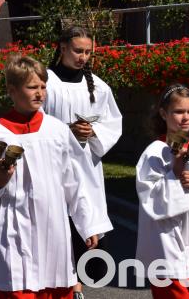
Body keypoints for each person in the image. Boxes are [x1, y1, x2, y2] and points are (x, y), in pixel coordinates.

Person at [0, 53, 113, 299]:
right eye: (32, 87)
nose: (40, 93)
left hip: (53, 230)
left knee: (54, 289)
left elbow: (75, 182)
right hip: (12, 231)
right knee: (18, 289)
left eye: (43, 87)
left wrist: (88, 223)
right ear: (12, 90)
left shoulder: (56, 131)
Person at [41, 26, 123, 299]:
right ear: (62, 47)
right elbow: (36, 120)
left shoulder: (99, 87)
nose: (83, 57)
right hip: (52, 168)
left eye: (88, 52)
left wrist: (94, 132)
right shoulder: (46, 82)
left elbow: (112, 124)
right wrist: (67, 131)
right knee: (56, 228)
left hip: (86, 170)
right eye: (78, 50)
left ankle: (76, 285)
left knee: (83, 227)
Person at [136, 84, 189, 299]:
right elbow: (153, 201)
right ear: (164, 114)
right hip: (168, 241)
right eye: (178, 111)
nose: (185, 117)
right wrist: (177, 166)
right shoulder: (153, 153)